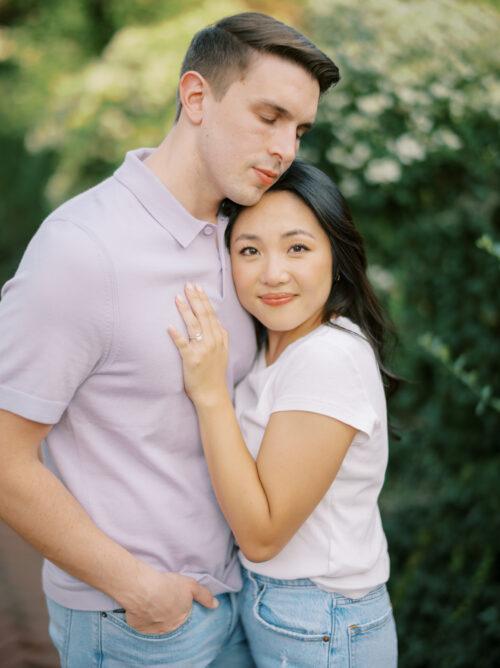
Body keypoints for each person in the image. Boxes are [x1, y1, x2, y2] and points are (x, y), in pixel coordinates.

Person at [0, 13, 339, 668]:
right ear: (195, 98)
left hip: (243, 605)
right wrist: (138, 589)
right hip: (138, 625)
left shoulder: (245, 239)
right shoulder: (82, 252)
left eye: (298, 130)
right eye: (268, 117)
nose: (285, 149)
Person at [169, 160, 399, 667]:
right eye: (249, 250)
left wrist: (209, 396)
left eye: (298, 247)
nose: (273, 274)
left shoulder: (326, 356)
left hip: (321, 620)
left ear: (335, 256)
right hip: (283, 608)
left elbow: (263, 533)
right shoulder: (276, 349)